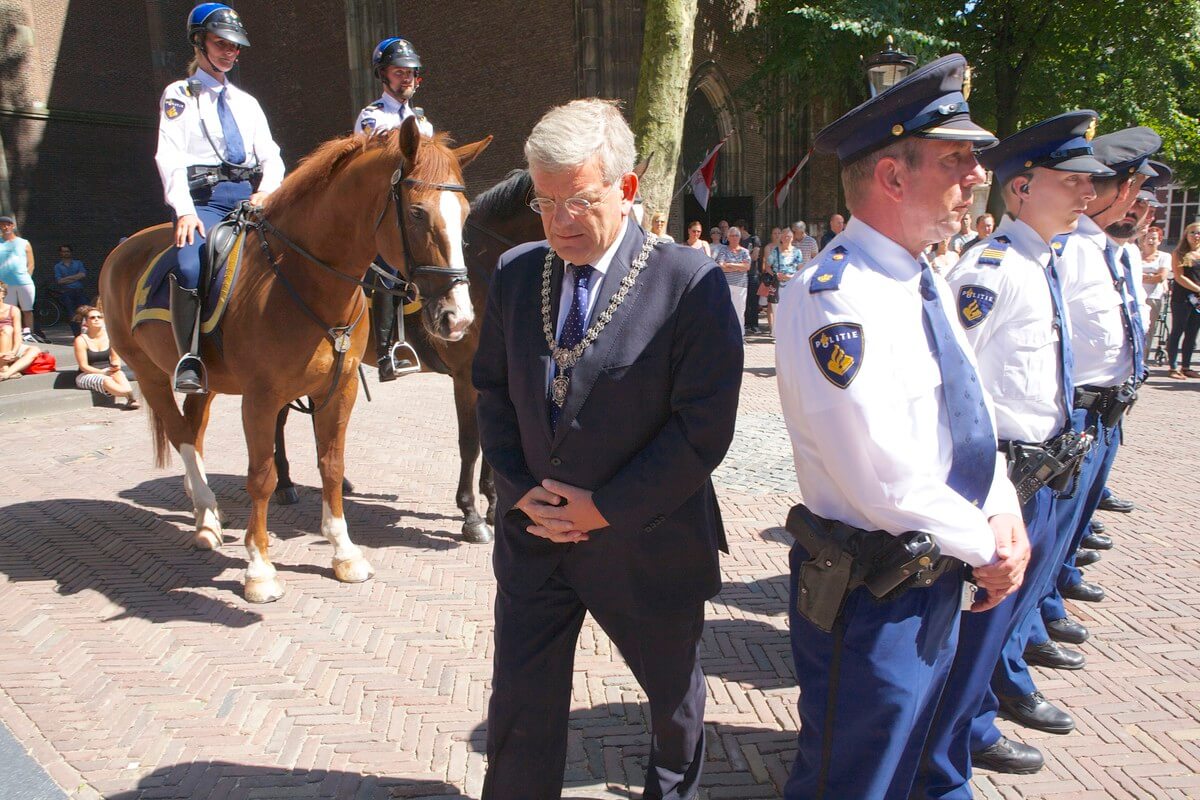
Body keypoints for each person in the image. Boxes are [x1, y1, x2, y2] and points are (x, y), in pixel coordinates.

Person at [472, 98, 743, 799]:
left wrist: (606, 509)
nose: (561, 221)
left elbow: (702, 429)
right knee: (520, 707)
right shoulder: (515, 274)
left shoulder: (689, 284)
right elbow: (493, 393)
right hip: (535, 537)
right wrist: (517, 483)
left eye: (579, 201)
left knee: (672, 706)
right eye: (545, 202)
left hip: (647, 543)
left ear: (626, 189)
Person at [775, 54, 1027, 799]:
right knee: (853, 779)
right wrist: (987, 544)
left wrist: (1004, 512)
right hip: (874, 594)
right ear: (891, 177)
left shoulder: (924, 278)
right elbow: (881, 472)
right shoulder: (835, 297)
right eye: (956, 160)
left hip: (938, 570)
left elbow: (969, 418)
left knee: (912, 760)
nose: (977, 175)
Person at [916, 111, 1114, 791]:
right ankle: (941, 767)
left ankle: (970, 731)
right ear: (1022, 189)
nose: (1088, 192)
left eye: (1088, 180)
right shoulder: (992, 269)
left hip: (1045, 468)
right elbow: (954, 383)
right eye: (1070, 180)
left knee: (1008, 624)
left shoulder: (1042, 262)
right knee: (976, 636)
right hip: (1008, 475)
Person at [1027, 126, 1161, 662]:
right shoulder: (1064, 251)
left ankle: (1043, 610)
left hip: (1102, 407)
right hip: (1072, 411)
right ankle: (1019, 645)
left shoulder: (1107, 250)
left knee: (1064, 532)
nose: (1133, 203)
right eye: (1126, 187)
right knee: (1043, 539)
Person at [155, 3, 284, 393]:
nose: (230, 52)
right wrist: (184, 211)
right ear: (199, 42)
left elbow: (272, 156)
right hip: (206, 202)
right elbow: (169, 154)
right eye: (221, 43)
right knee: (190, 266)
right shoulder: (179, 94)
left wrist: (268, 191)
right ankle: (190, 357)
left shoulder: (247, 103)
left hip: (252, 198)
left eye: (235, 46)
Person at [355, 36, 433, 382]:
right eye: (399, 72)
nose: (407, 79)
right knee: (388, 267)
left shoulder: (423, 121)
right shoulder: (372, 116)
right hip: (383, 207)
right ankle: (386, 350)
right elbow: (376, 156)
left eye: (411, 73)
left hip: (415, 205)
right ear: (383, 76)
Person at [72, 306, 139, 408]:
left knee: (119, 374)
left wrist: (115, 366)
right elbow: (83, 366)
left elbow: (115, 358)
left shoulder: (109, 338)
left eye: (100, 317)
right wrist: (103, 372)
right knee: (106, 380)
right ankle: (130, 396)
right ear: (86, 322)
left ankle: (130, 398)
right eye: (92, 317)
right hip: (86, 374)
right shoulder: (81, 340)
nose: (96, 319)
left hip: (108, 370)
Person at [1167, 221, 1200, 379]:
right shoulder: (1178, 253)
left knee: (1192, 333)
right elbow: (1179, 277)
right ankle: (1173, 367)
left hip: (1198, 301)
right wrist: (1198, 289)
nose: (1196, 235)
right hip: (1182, 298)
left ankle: (1186, 366)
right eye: (1192, 232)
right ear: (1186, 235)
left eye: (1198, 233)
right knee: (1177, 331)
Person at [0, 215, 37, 343]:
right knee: (9, 311)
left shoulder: (24, 243)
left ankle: (28, 333)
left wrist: (27, 277)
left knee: (27, 309)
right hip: (5, 285)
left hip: (23, 282)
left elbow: (31, 263)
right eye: (2, 225)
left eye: (7, 224)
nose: (5, 227)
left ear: (13, 226)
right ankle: (11, 334)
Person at [1140, 225, 1171, 360]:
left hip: (1153, 297)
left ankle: (1143, 361)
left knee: (1148, 330)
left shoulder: (1164, 256)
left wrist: (1141, 276)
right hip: (1135, 296)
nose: (1151, 241)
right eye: (1148, 238)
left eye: (1154, 238)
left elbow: (1161, 277)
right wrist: (1151, 275)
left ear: (1159, 240)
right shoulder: (1135, 254)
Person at [764, 226, 802, 334]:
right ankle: (777, 333)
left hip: (792, 282)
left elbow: (800, 268)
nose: (787, 238)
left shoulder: (797, 252)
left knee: (791, 307)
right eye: (784, 236)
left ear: (792, 238)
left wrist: (792, 276)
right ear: (781, 238)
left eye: (789, 236)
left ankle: (790, 332)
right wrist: (775, 275)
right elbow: (767, 266)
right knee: (776, 308)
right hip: (777, 283)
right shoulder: (775, 251)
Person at [0, 281, 41, 380]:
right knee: (7, 329)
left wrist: (13, 352)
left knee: (35, 350)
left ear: (3, 294)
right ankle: (3, 367)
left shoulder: (13, 310)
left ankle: (7, 373)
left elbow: (18, 334)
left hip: (11, 345)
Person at [714, 226, 751, 330]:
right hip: (726, 285)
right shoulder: (723, 250)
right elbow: (721, 266)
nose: (734, 238)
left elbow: (747, 266)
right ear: (728, 237)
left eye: (736, 235)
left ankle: (740, 335)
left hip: (741, 285)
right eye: (732, 235)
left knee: (740, 311)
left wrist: (729, 264)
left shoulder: (744, 252)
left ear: (739, 237)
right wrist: (738, 266)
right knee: (725, 310)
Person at [53, 245, 90, 335]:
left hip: (79, 291)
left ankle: (86, 332)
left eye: (67, 251)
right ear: (60, 253)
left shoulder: (78, 263)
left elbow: (83, 275)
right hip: (67, 292)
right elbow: (59, 281)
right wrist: (75, 277)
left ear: (70, 252)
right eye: (64, 251)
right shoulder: (58, 266)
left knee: (85, 312)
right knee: (71, 314)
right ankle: (77, 334)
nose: (66, 253)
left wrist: (67, 278)